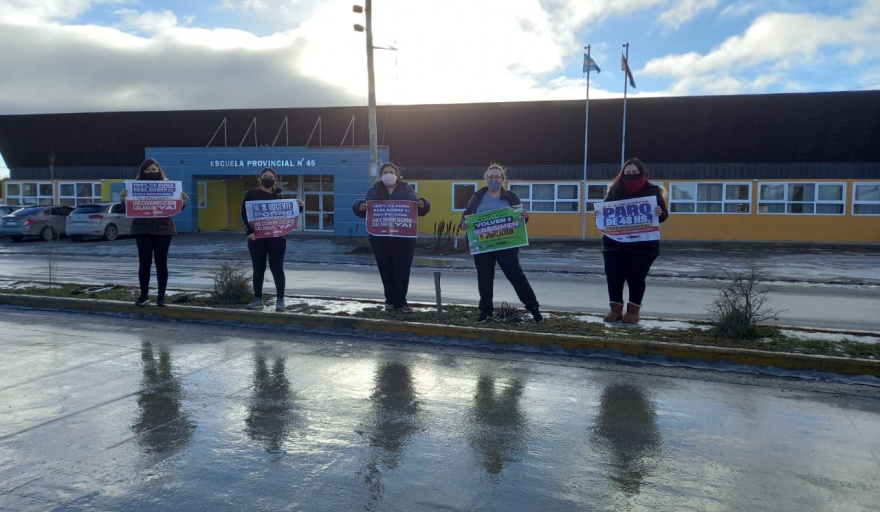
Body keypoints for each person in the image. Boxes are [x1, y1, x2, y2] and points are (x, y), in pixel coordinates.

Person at [459, 163, 543, 323]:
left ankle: (534, 309)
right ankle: (485, 311)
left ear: (503, 179)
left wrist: (524, 217)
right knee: (484, 278)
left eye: (497, 176)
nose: (493, 179)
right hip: (483, 246)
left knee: (516, 276)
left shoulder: (511, 196)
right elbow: (467, 216)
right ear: (485, 178)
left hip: (506, 245)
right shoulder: (477, 197)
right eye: (490, 176)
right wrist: (463, 224)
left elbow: (519, 221)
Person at [352, 162, 431, 312]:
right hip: (380, 239)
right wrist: (359, 205)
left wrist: (424, 204)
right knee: (386, 270)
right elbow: (364, 211)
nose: (388, 174)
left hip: (404, 239)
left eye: (391, 172)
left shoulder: (407, 190)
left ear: (397, 175)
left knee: (402, 270)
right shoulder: (373, 191)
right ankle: (389, 300)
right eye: (385, 172)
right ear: (381, 176)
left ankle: (401, 302)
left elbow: (418, 210)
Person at [599, 158, 669, 324]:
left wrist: (660, 213)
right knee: (614, 276)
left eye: (634, 172)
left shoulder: (652, 191)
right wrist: (600, 215)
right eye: (627, 172)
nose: (631, 175)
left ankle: (633, 312)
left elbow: (664, 215)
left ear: (643, 172)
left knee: (636, 277)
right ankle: (615, 310)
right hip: (614, 245)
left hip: (642, 246)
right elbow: (605, 212)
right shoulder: (614, 190)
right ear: (623, 173)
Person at [120, 158, 188, 307]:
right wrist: (124, 200)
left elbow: (173, 209)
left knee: (161, 263)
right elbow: (129, 208)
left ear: (159, 171)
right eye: (148, 170)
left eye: (154, 170)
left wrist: (182, 202)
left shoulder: (168, 187)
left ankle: (161, 297)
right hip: (142, 229)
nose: (151, 172)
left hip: (163, 229)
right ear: (142, 172)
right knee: (144, 263)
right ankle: (144, 295)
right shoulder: (133, 188)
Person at [240, 167, 304, 312]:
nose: (267, 178)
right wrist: (249, 232)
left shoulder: (279, 197)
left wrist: (299, 208)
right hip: (257, 239)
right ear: (260, 178)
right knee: (258, 268)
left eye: (270, 176)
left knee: (277, 268)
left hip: (277, 239)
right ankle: (257, 299)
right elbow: (243, 214)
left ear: (275, 179)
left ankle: (280, 300)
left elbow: (288, 216)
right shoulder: (251, 195)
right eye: (265, 175)